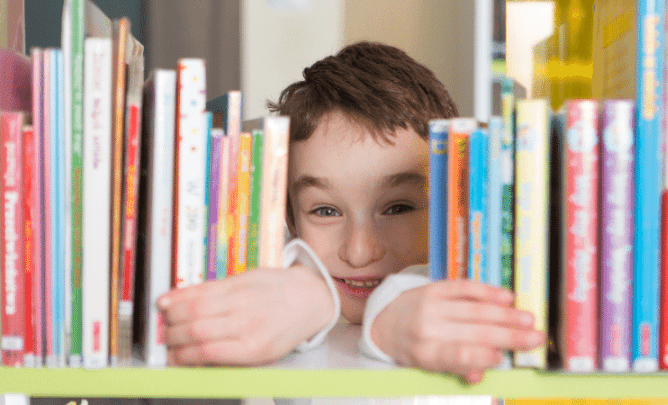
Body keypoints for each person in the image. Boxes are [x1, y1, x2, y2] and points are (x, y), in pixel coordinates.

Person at [157, 41, 545, 384]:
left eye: (398, 208)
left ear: (454, 204)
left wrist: (387, 316)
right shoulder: (269, 288)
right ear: (289, 218)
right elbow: (287, 287)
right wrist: (312, 294)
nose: (360, 252)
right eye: (325, 211)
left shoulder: (499, 279)